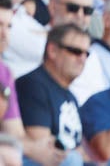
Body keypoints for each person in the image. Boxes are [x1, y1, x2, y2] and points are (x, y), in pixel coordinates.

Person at [17, 25, 89, 165]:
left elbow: (82, 150)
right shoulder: (33, 84)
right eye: (76, 51)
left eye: (86, 53)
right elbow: (41, 147)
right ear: (52, 50)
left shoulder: (71, 97)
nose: (82, 59)